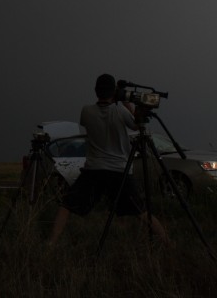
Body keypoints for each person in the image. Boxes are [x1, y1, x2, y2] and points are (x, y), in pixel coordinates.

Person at [48, 74, 169, 245]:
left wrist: (117, 98)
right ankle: (167, 243)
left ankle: (51, 242)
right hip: (119, 170)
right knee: (141, 210)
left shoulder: (86, 111)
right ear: (114, 92)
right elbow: (136, 124)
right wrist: (127, 101)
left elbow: (94, 120)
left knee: (67, 204)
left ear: (96, 91)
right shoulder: (120, 111)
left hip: (93, 169)